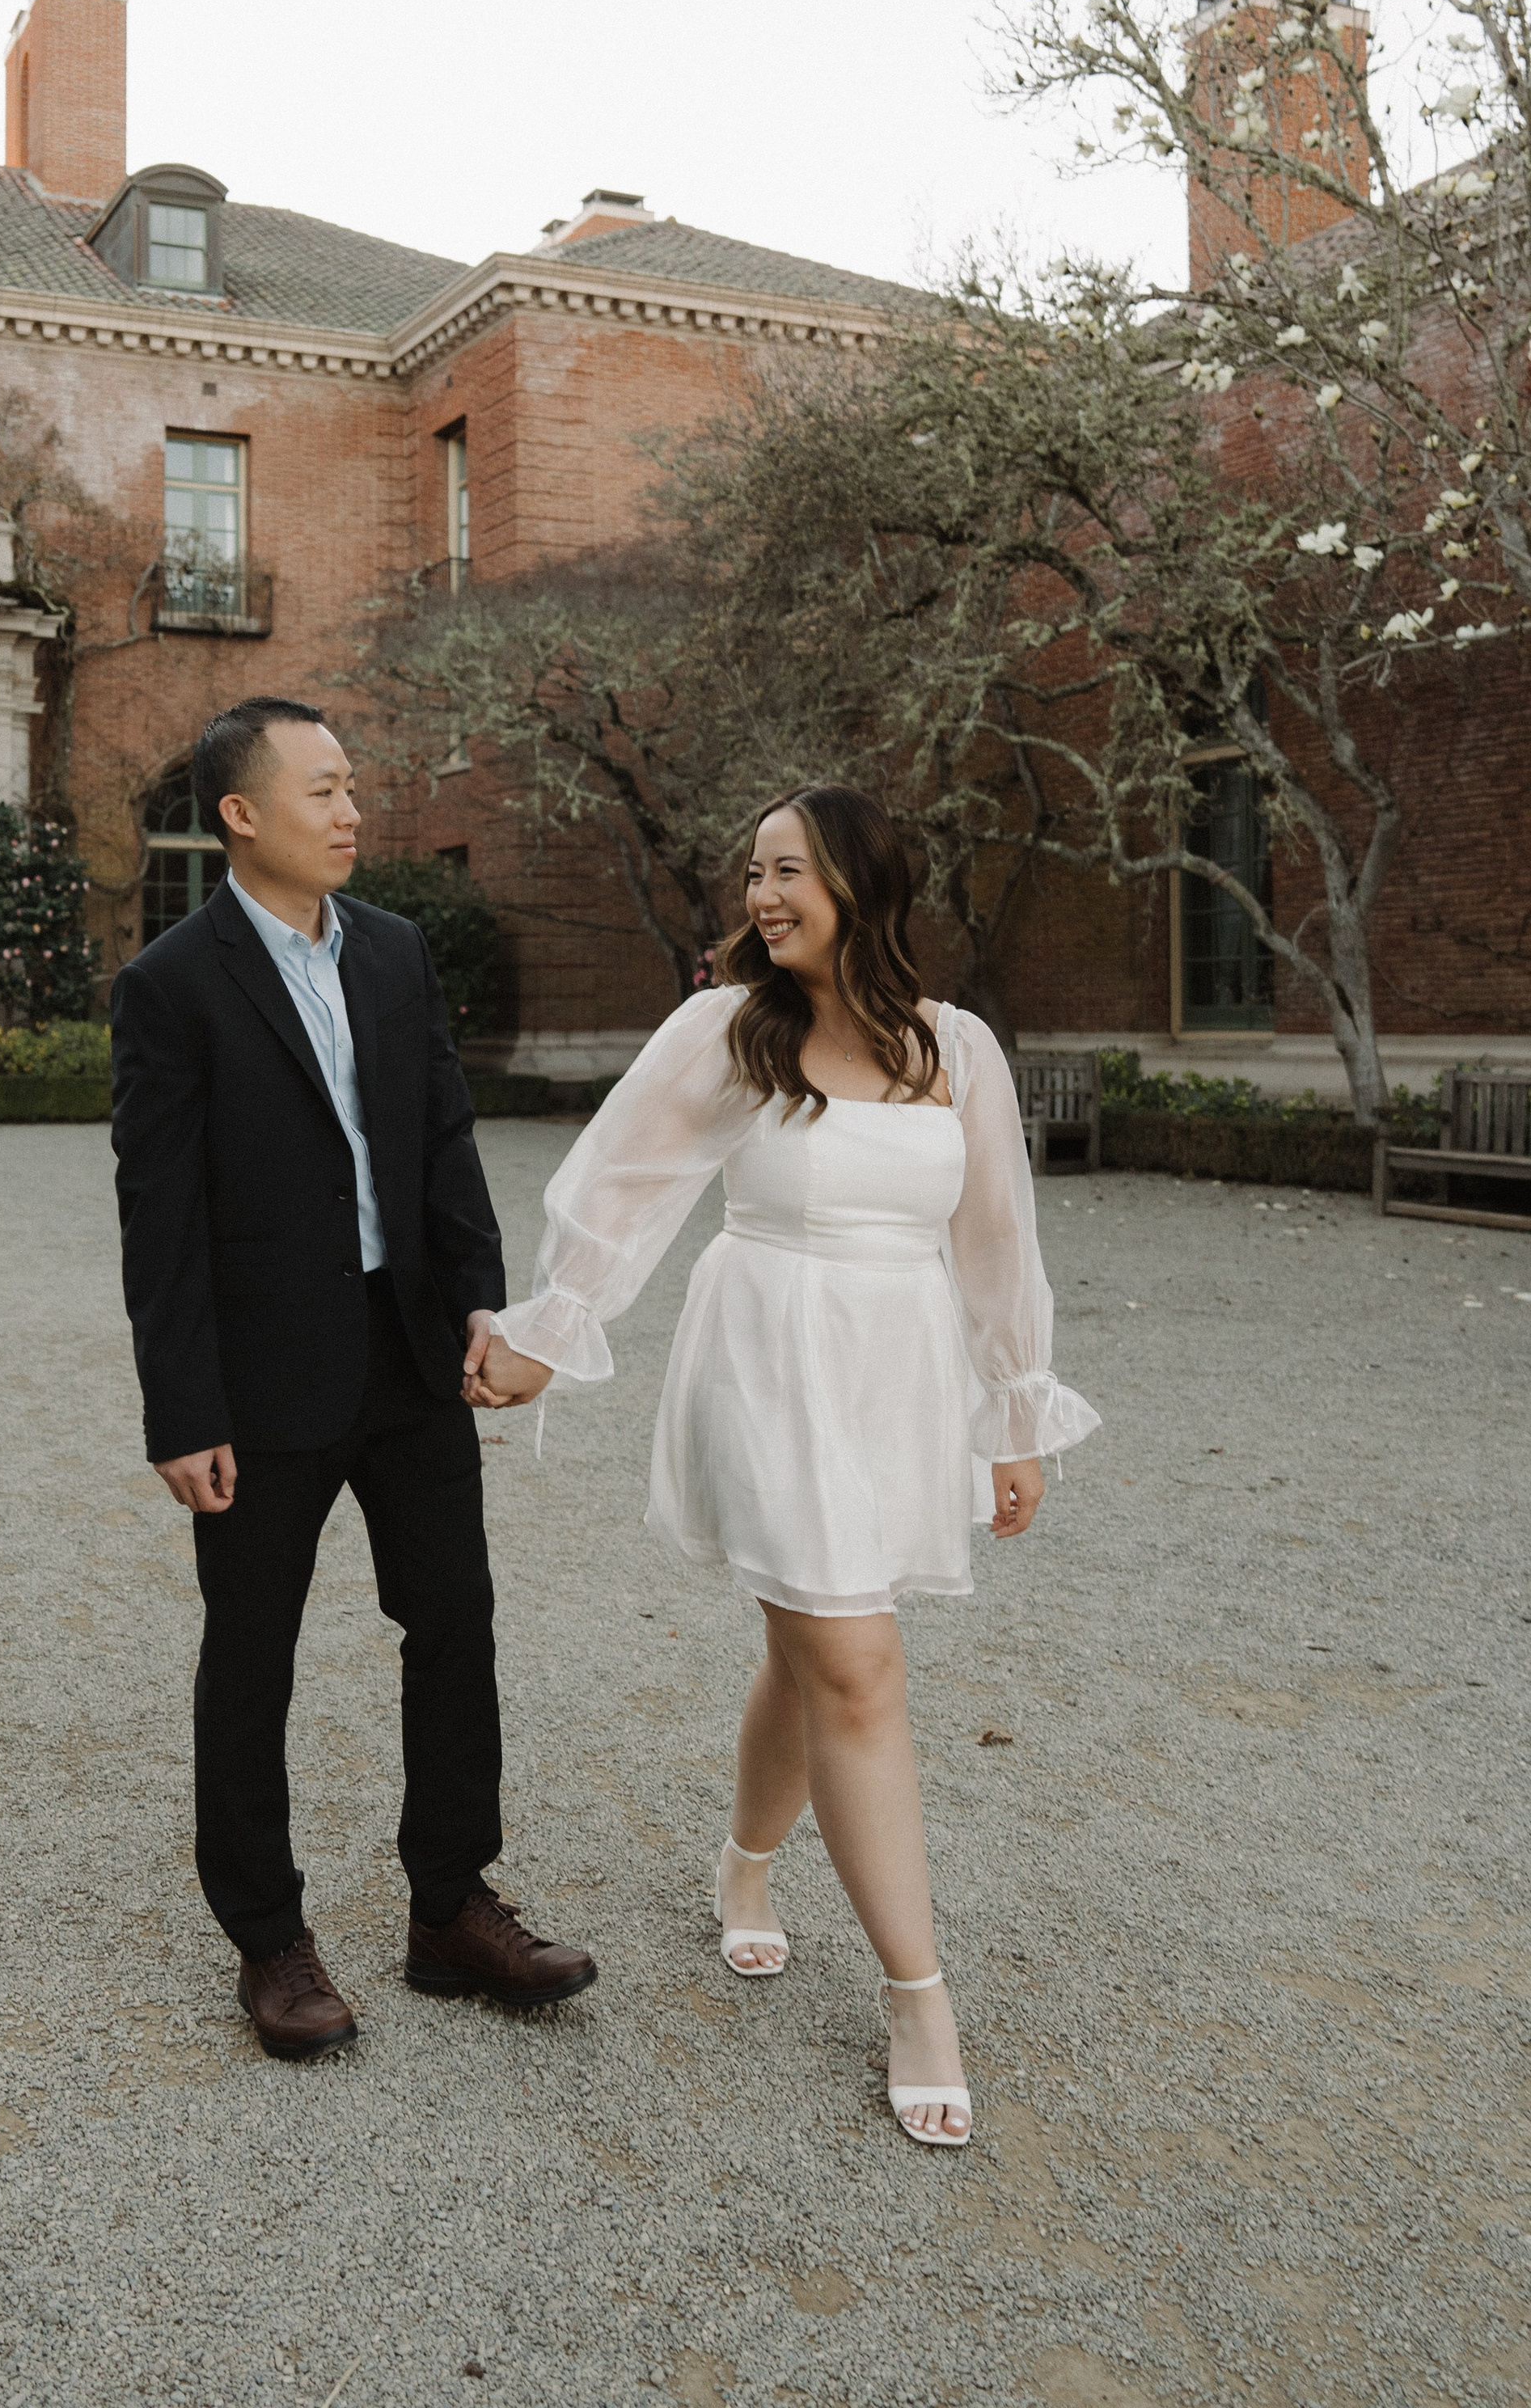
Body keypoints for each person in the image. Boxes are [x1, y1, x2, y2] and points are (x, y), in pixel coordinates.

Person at [467, 785, 1097, 2146]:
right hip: (768, 1354)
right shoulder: (728, 1030)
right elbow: (623, 1182)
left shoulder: (960, 1049)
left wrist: (1014, 1413)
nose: (761, 896)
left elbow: (995, 1239)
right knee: (858, 1664)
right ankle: (920, 1998)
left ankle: (744, 1868)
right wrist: (547, 1335)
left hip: (897, 1367)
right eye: (751, 872)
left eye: (789, 871)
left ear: (866, 882)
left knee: (810, 1648)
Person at [110, 695, 596, 2060]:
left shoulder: (392, 955)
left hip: (411, 1353)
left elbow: (443, 1140)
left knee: (455, 1621)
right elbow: (160, 1218)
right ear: (242, 816)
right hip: (260, 1384)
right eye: (321, 791)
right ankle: (269, 1939)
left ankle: (450, 1908)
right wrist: (183, 1406)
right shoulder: (173, 985)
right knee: (250, 1653)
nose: (352, 812)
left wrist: (482, 1307)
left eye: (353, 788)